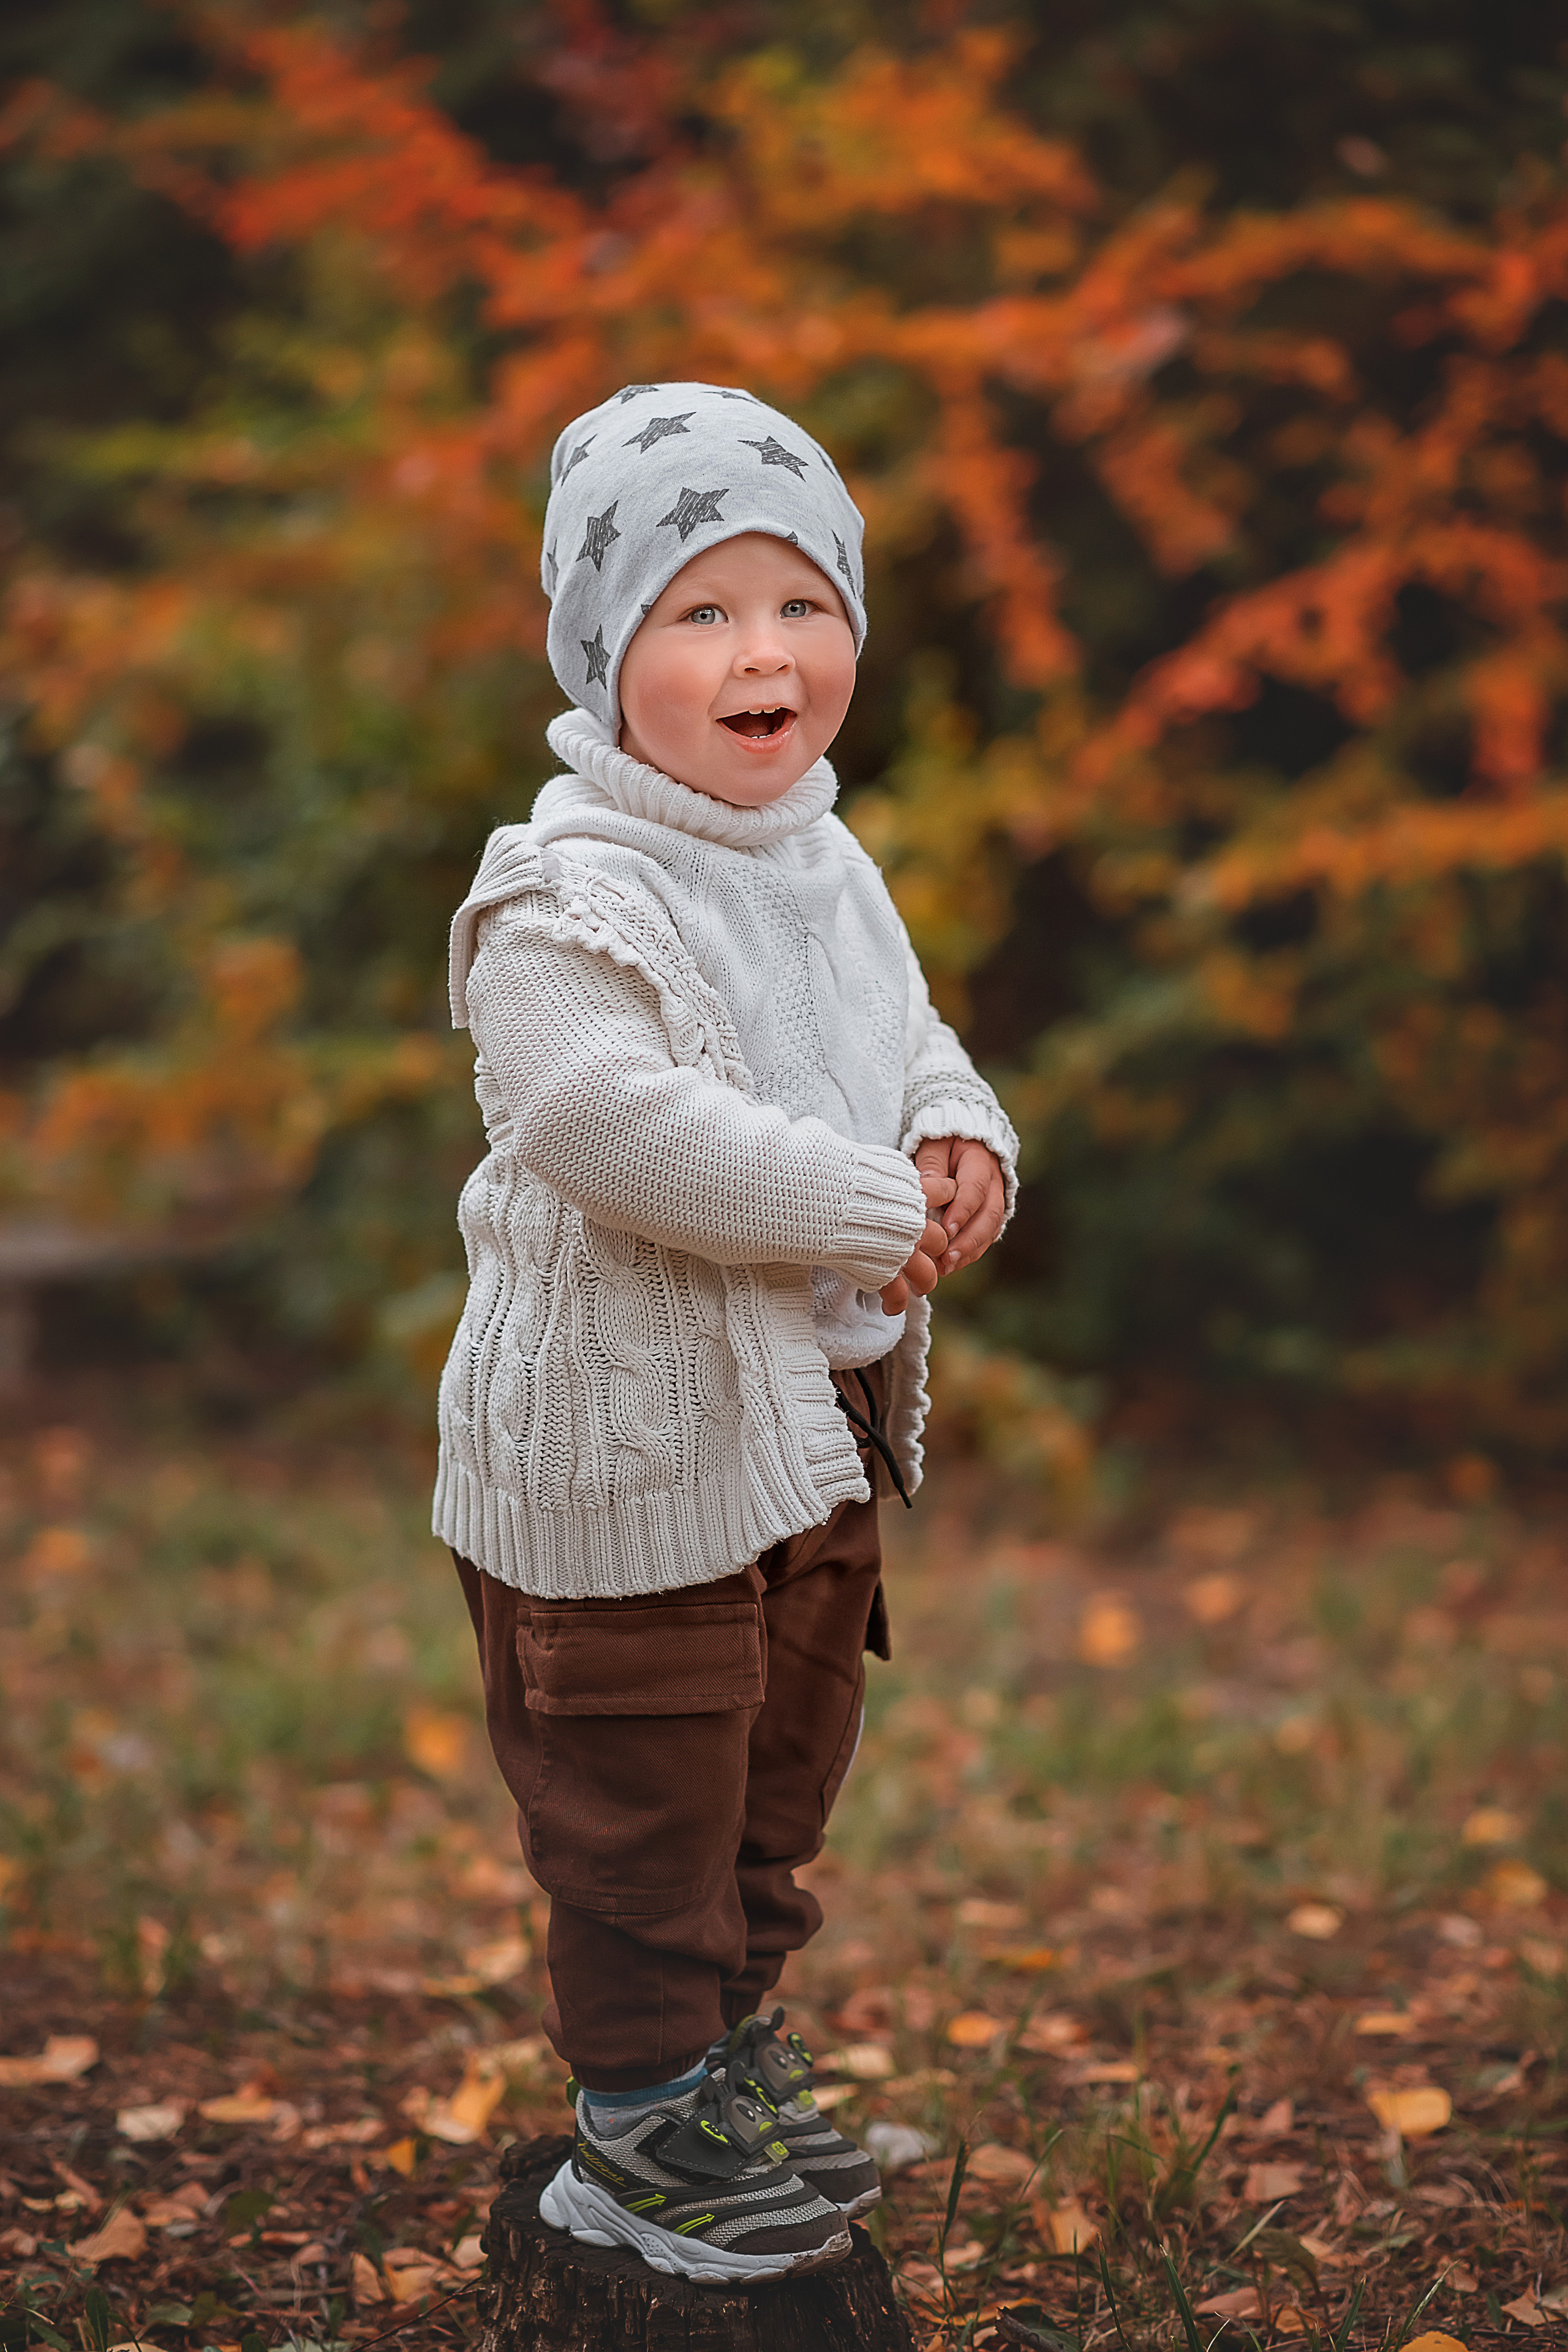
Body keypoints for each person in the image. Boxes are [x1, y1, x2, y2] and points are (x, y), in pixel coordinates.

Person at [437, 383, 1017, 2283]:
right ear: (605, 658)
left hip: (804, 1434)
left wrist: (955, 1135)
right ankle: (636, 2134)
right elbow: (607, 1124)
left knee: (775, 1777)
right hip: (623, 1463)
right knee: (646, 1799)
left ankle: (729, 2066)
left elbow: (902, 1039)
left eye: (800, 604)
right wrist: (864, 1202)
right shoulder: (564, 893)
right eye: (700, 612)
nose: (763, 652)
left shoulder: (822, 864)